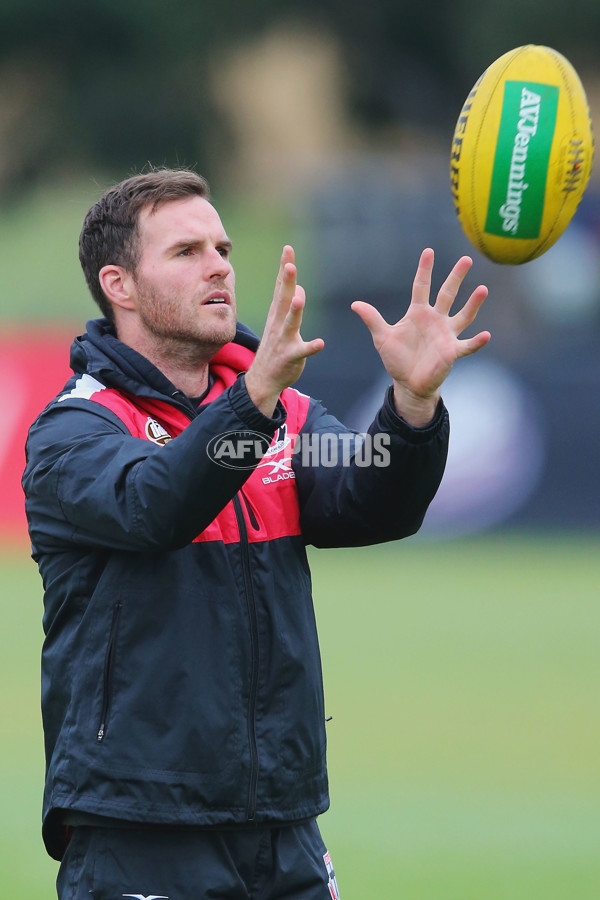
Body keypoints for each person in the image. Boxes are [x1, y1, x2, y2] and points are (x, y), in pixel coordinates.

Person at [23, 167, 490, 900]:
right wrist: (255, 400)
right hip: (143, 831)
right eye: (186, 252)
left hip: (282, 825)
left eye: (223, 247)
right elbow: (158, 505)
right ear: (118, 284)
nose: (218, 265)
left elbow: (372, 498)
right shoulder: (74, 429)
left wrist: (412, 404)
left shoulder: (283, 414)